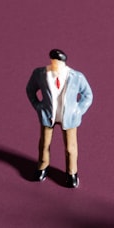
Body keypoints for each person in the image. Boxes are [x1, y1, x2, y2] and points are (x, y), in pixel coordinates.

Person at [25, 49, 93, 188]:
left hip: (69, 118)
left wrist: (78, 111)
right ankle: (42, 167)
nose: (55, 64)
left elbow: (88, 95)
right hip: (48, 115)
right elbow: (30, 90)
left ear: (63, 62)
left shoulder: (76, 77)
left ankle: (71, 173)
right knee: (44, 144)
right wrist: (38, 106)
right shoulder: (40, 73)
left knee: (70, 147)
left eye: (58, 62)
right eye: (53, 61)